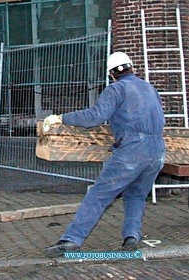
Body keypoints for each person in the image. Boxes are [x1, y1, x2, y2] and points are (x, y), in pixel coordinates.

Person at [42, 51, 166, 257]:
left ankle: (72, 240)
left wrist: (61, 118)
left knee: (98, 195)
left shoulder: (117, 89)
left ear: (112, 74)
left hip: (132, 150)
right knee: (136, 195)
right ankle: (132, 237)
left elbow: (94, 117)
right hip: (158, 151)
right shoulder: (149, 88)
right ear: (132, 68)